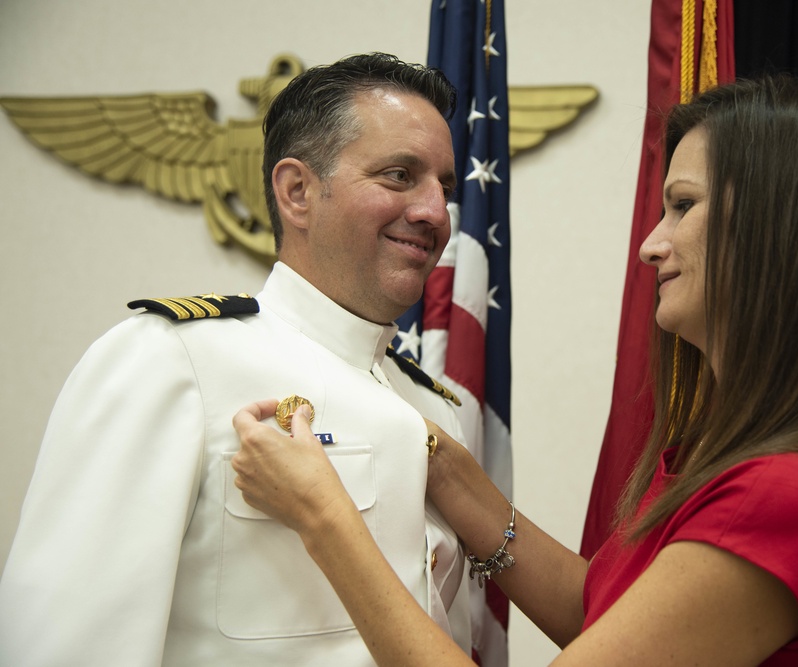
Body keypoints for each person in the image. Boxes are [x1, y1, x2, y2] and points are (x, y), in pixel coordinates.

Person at [232, 75, 798, 666]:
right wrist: (436, 459)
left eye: (683, 206)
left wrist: (323, 516)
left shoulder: (789, 494)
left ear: (785, 225)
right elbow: (600, 606)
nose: (653, 245)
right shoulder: (738, 451)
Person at [0, 53, 474, 665]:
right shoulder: (173, 360)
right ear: (297, 192)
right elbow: (68, 643)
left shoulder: (431, 404)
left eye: (445, 187)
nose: (435, 212)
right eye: (399, 175)